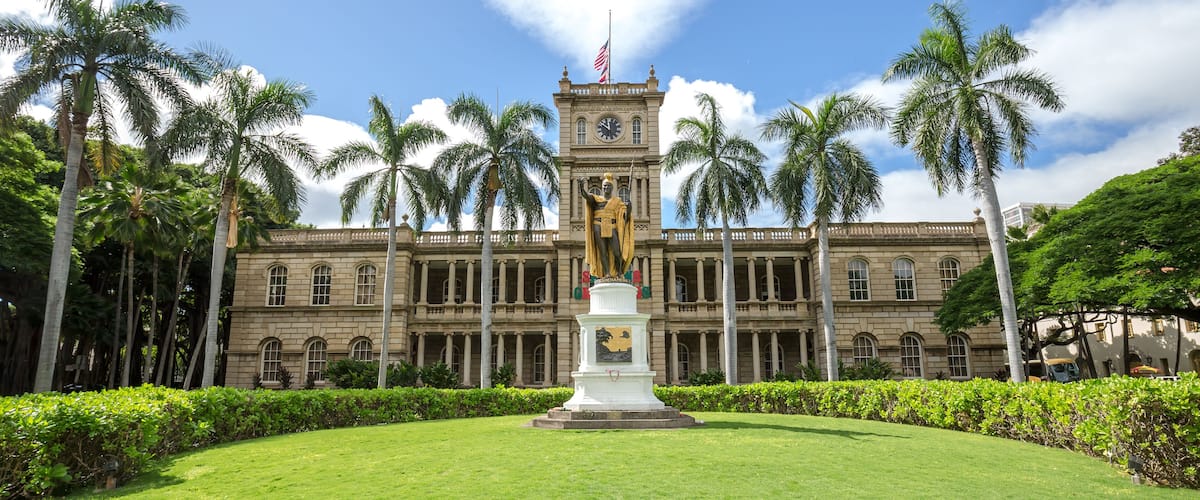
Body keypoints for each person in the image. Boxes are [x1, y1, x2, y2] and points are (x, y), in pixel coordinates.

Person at [579, 172, 633, 279]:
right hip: (598, 225)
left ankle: (619, 273)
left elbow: (625, 217)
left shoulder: (617, 202)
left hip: (612, 226)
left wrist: (629, 207)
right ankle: (607, 273)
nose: (605, 188)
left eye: (608, 186)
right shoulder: (596, 199)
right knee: (602, 252)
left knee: (617, 252)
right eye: (604, 186)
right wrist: (581, 188)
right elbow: (586, 196)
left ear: (612, 188)